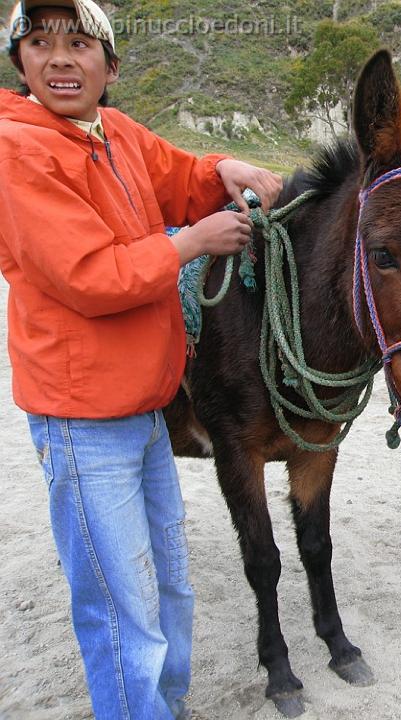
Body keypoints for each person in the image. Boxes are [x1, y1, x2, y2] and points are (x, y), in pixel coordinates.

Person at [0, 1, 283, 717]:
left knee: (166, 582)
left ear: (110, 65)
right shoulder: (18, 150)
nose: (61, 58)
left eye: (78, 44)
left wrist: (228, 165)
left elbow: (180, 176)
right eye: (40, 43)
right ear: (21, 65)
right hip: (82, 419)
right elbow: (89, 277)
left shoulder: (113, 133)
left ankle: (165, 703)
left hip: (145, 409)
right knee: (120, 599)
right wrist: (191, 243)